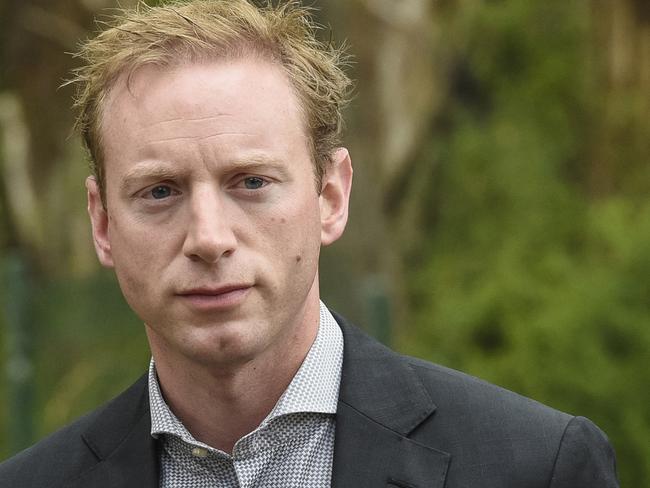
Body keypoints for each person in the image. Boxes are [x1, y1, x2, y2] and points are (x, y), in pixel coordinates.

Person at [0, 1, 619, 487]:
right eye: (160, 192)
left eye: (252, 182)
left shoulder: (535, 468)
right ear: (102, 222)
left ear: (332, 197)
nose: (209, 238)